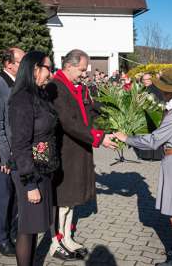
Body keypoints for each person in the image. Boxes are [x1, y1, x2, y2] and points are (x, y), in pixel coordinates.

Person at [114, 68, 172, 266]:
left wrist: (127, 138)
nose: (161, 91)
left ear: (171, 91)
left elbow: (154, 141)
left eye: (164, 88)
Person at [46, 49, 117, 260]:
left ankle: (66, 236)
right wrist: (98, 138)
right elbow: (69, 123)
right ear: (68, 66)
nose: (84, 74)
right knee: (63, 200)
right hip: (65, 151)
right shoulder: (55, 87)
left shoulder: (73, 86)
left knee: (70, 201)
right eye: (81, 70)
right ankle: (55, 242)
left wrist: (109, 113)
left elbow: (86, 114)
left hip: (77, 150)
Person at [8, 51, 57, 266]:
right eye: (49, 68)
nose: (51, 73)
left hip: (42, 168)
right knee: (27, 227)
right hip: (29, 172)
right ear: (35, 68)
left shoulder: (39, 94)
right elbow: (19, 144)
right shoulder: (22, 99)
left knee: (35, 224)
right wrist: (29, 184)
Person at [0, 47, 25, 256]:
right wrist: (5, 156)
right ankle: (0, 239)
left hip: (18, 152)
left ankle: (10, 233)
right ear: (9, 64)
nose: (26, 64)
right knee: (4, 197)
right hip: (4, 154)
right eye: (22, 61)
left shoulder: (18, 83)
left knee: (16, 198)